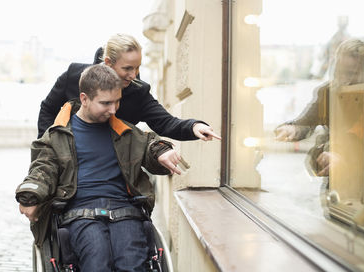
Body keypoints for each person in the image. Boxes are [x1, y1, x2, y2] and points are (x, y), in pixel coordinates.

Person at [16, 64, 182, 271]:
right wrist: (30, 196)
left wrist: (161, 151)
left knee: (132, 264)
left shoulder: (125, 131)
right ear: (84, 99)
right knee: (97, 262)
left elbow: (149, 144)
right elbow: (43, 169)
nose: (113, 110)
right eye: (106, 103)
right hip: (80, 213)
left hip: (126, 211)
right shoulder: (57, 136)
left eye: (117, 101)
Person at [38, 33, 220, 147]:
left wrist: (194, 126)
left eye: (138, 67)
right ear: (108, 62)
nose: (134, 75)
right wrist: (49, 147)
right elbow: (47, 109)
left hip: (114, 168)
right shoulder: (73, 75)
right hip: (71, 161)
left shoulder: (138, 93)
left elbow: (165, 123)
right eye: (127, 68)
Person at [275, 38, 364, 176]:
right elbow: (308, 121)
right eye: (340, 72)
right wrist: (294, 128)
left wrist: (343, 157)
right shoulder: (328, 92)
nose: (344, 79)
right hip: (341, 180)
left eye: (351, 74)